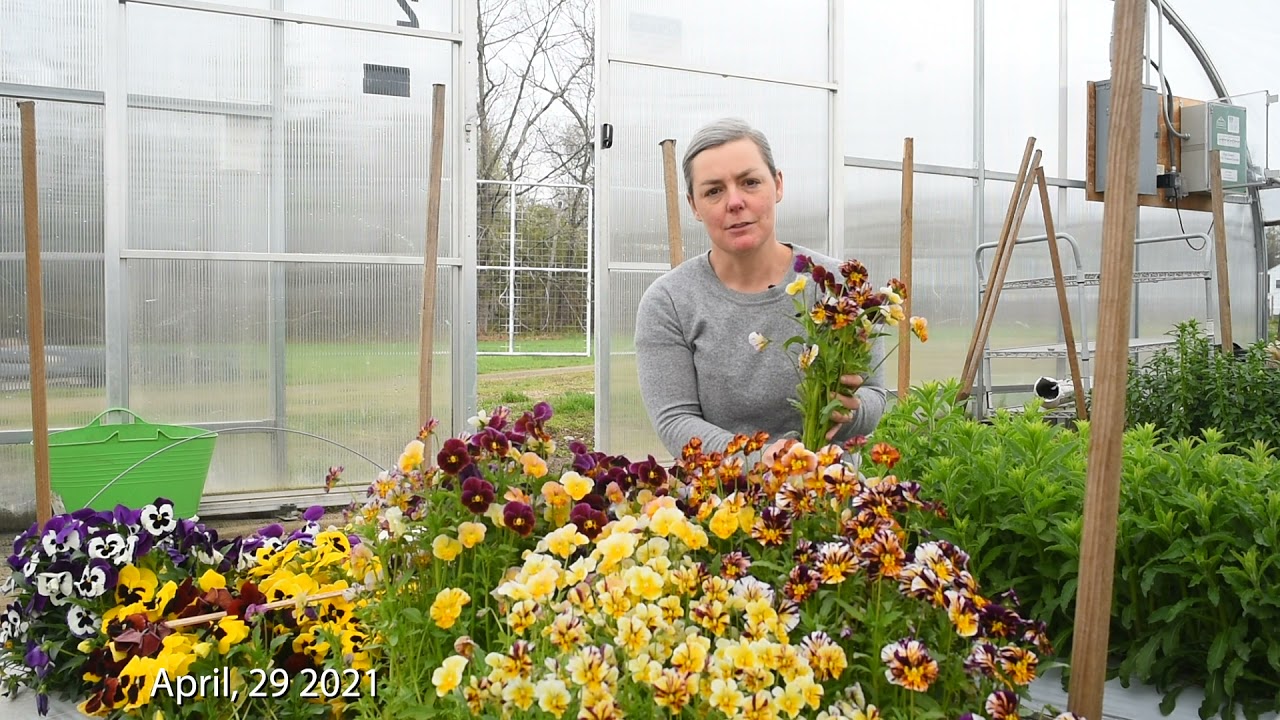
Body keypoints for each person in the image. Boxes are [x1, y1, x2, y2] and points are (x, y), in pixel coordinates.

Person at [635, 118, 888, 457]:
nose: (735, 202)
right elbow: (676, 421)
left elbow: (876, 395)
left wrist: (847, 411)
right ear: (694, 206)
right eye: (713, 191)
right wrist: (762, 460)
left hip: (829, 494)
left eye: (750, 182)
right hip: (722, 499)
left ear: (778, 185)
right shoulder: (669, 302)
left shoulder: (838, 286)